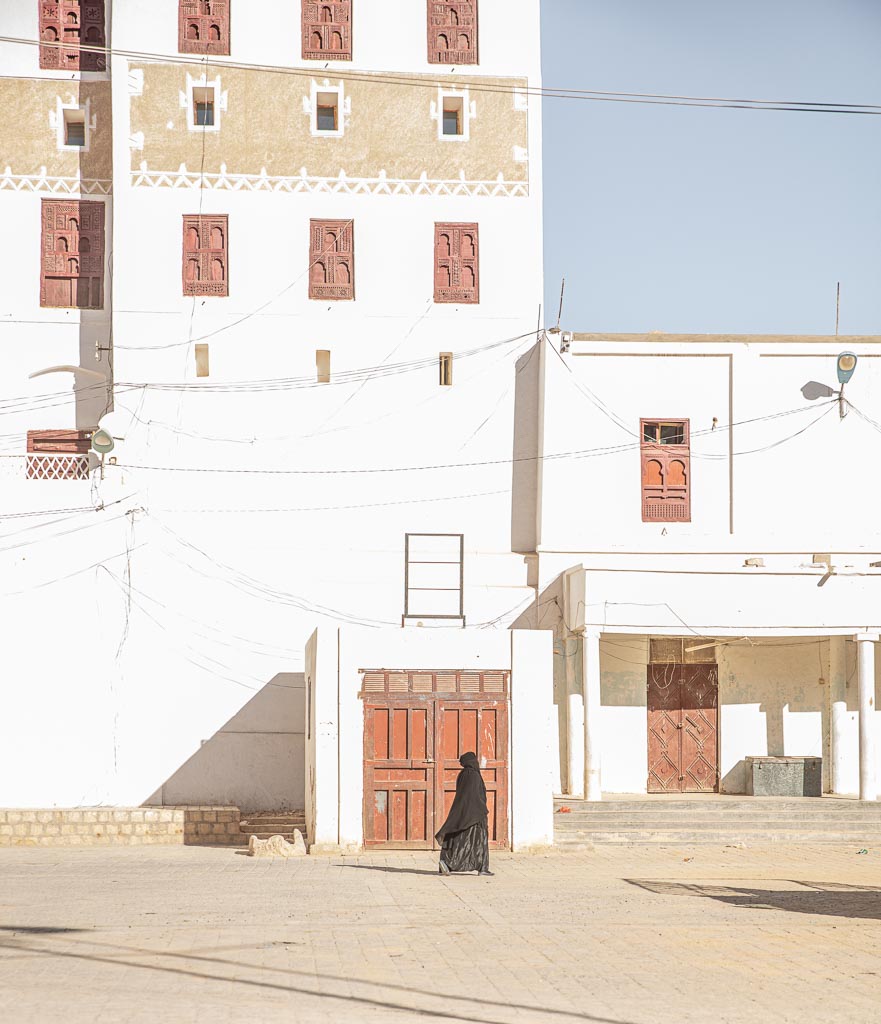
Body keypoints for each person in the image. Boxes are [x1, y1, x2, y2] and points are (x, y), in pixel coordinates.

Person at [435, 751, 493, 876]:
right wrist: (481, 811)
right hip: (476, 815)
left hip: (463, 814)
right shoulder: (474, 775)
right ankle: (482, 868)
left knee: (457, 839)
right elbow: (476, 796)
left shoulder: (463, 774)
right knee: (479, 842)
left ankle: (447, 863)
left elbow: (465, 796)